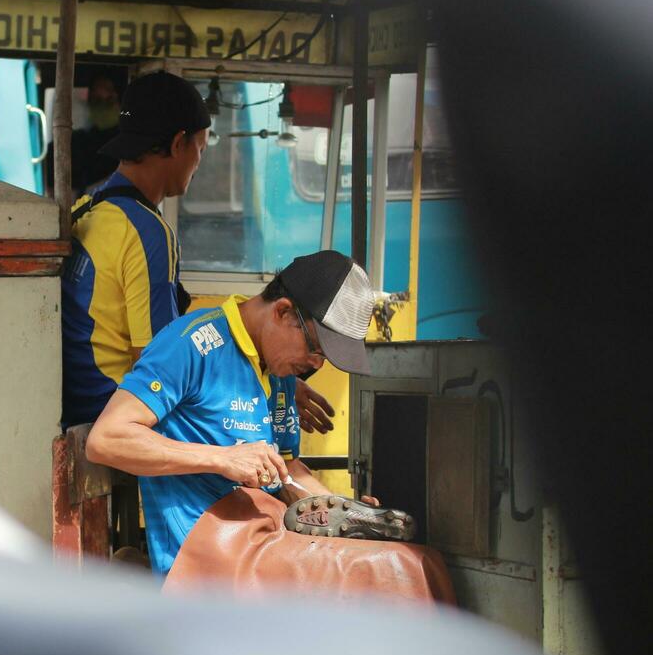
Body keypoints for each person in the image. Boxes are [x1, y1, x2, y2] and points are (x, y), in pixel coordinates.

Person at [85, 250, 411, 576]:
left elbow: (288, 472)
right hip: (204, 561)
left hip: (265, 543)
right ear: (283, 312)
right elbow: (106, 439)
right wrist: (223, 458)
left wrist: (344, 512)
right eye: (316, 350)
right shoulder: (190, 345)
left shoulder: (280, 374)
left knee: (393, 564)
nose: (317, 365)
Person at [60, 71, 339, 435]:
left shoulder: (87, 208)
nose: (199, 162)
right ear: (179, 144)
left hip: (73, 406)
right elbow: (164, 364)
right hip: (113, 415)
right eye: (202, 149)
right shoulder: (147, 233)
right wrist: (264, 391)